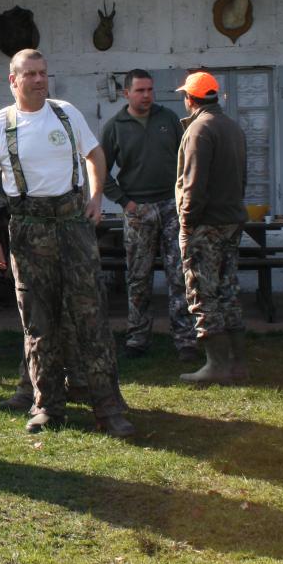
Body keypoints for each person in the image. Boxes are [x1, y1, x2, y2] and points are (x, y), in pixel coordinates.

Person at [0, 49, 134, 437]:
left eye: (43, 73)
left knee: (91, 316)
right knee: (38, 321)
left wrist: (96, 196)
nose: (39, 80)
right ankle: (47, 406)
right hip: (27, 229)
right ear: (13, 80)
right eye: (30, 74)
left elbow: (95, 154)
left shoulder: (66, 113)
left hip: (73, 226)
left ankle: (108, 408)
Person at [100, 69, 198, 362]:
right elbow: (99, 171)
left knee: (179, 275)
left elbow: (188, 157)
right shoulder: (115, 126)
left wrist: (184, 197)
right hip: (138, 210)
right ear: (126, 93)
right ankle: (138, 338)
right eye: (140, 90)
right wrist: (125, 203)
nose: (146, 96)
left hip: (171, 207)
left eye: (150, 90)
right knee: (138, 279)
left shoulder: (168, 118)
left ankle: (185, 340)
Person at [173, 71, 249, 385]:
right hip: (232, 220)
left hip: (206, 225)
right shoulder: (233, 128)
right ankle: (238, 364)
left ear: (190, 98)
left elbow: (193, 184)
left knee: (203, 293)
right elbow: (242, 178)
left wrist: (187, 225)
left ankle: (216, 366)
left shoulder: (199, 130)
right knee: (228, 290)